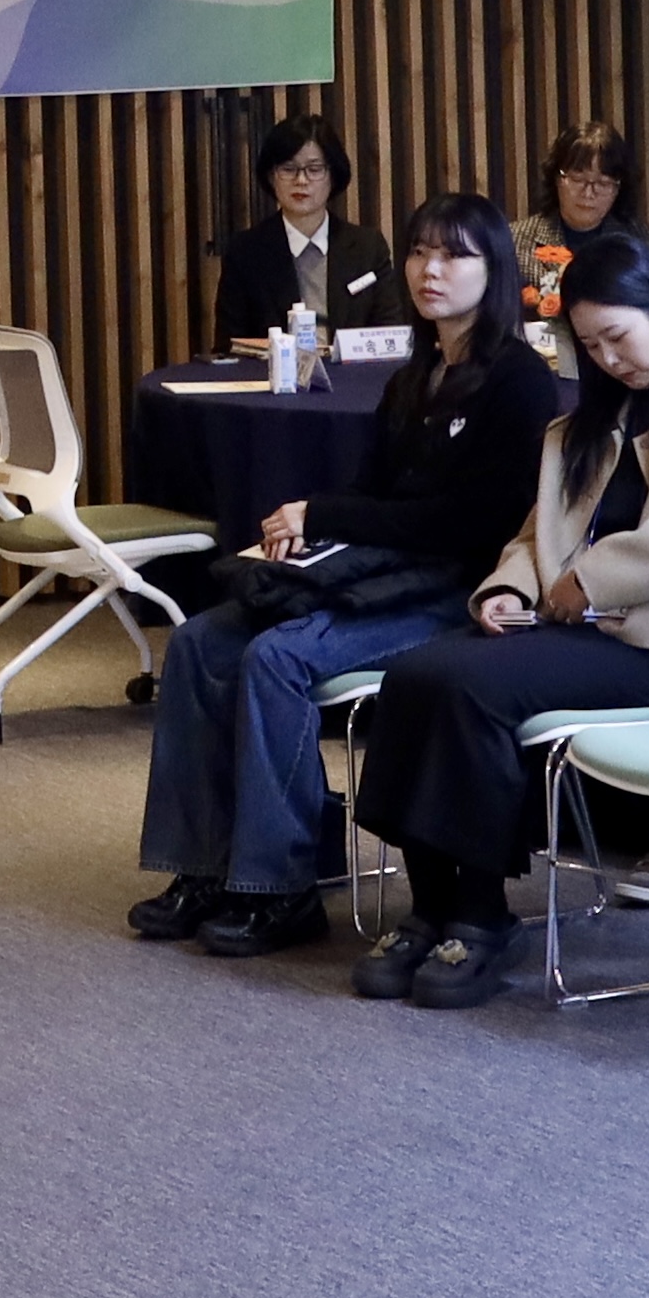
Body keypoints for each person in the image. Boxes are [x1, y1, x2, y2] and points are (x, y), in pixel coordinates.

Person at [340, 232, 649, 1011]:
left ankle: (478, 916)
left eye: (618, 336)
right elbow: (532, 532)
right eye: (589, 345)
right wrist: (506, 589)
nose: (608, 359)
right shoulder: (583, 425)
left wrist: (590, 577)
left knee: (469, 687)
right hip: (576, 632)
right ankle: (429, 906)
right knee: (414, 673)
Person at [128, 198, 564, 954]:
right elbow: (374, 495)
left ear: (494, 271)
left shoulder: (519, 381)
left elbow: (471, 524)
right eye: (420, 252)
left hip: (453, 587)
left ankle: (281, 883)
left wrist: (323, 515)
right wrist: (308, 534)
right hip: (377, 573)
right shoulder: (415, 375)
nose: (430, 271)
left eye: (454, 256)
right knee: (200, 641)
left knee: (278, 657)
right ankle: (203, 865)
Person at [210, 115, 393, 353]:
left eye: (314, 169)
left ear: (333, 175)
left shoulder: (368, 248)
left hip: (353, 379)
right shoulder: (246, 252)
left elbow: (390, 333)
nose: (301, 180)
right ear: (271, 177)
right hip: (273, 381)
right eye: (289, 169)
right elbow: (228, 347)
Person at [522, 121, 635, 315]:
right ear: (557, 179)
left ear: (618, 189)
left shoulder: (643, 242)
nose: (589, 193)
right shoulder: (516, 241)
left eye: (603, 182)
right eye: (577, 179)